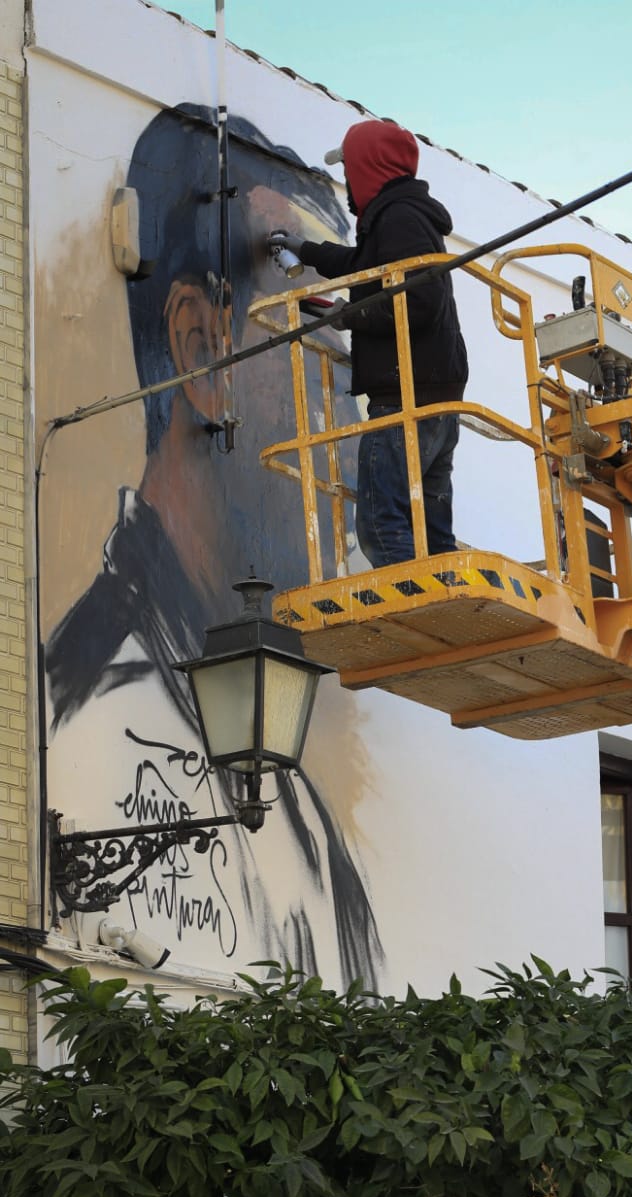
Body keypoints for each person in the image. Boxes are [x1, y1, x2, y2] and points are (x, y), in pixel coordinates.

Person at [43, 103, 381, 986]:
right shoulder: (104, 727)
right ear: (202, 347)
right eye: (321, 349)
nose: (349, 424)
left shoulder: (275, 774)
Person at [272, 119, 469, 569]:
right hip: (434, 400)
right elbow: (367, 267)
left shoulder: (397, 218)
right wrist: (309, 251)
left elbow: (418, 299)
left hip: (404, 401)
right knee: (433, 538)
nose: (345, 182)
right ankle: (443, 609)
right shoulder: (405, 217)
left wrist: (348, 314)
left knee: (381, 528)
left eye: (349, 170)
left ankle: (421, 618)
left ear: (367, 169)